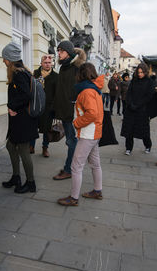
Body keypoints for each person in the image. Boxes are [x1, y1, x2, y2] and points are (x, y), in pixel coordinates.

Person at [57, 63, 104, 206]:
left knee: (76, 166)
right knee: (95, 164)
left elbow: (92, 113)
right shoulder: (94, 89)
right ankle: (97, 191)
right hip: (94, 133)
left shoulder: (86, 91)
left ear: (80, 75)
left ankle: (74, 198)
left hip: (87, 134)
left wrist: (76, 123)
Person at [0, 42, 38, 193]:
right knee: (10, 146)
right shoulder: (24, 72)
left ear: (9, 59)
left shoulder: (18, 74)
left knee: (23, 150)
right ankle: (16, 176)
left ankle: (30, 183)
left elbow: (26, 95)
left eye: (4, 58)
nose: (3, 61)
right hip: (22, 119)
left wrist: (12, 107)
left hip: (23, 119)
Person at [52, 41, 87, 181]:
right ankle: (73, 167)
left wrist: (75, 105)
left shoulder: (77, 68)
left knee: (72, 142)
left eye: (61, 50)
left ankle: (69, 169)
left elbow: (83, 90)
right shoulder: (63, 68)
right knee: (72, 142)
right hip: (64, 111)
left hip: (73, 112)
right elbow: (61, 91)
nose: (58, 53)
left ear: (69, 52)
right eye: (58, 50)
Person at [120, 63, 157, 155]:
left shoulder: (149, 82)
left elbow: (149, 96)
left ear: (145, 72)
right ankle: (128, 148)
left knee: (144, 130)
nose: (140, 74)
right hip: (131, 109)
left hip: (142, 110)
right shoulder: (134, 81)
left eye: (142, 72)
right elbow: (129, 93)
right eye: (139, 72)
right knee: (129, 129)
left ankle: (148, 146)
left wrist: (138, 105)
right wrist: (130, 103)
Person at [30, 54, 58, 157]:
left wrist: (54, 108)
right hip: (36, 105)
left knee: (47, 129)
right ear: (41, 63)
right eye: (45, 62)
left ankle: (45, 148)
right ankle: (31, 146)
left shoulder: (56, 76)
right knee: (33, 127)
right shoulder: (35, 74)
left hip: (48, 107)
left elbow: (57, 93)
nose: (47, 64)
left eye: (49, 63)